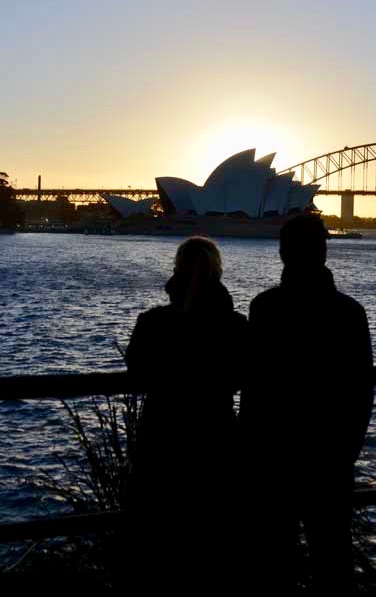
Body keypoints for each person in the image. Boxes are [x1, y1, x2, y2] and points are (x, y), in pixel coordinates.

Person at [240, 214, 375, 593]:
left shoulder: (264, 308)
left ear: (282, 253)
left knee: (273, 563)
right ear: (324, 251)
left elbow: (254, 390)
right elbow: (362, 393)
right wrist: (345, 453)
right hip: (330, 461)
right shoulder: (351, 313)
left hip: (273, 461)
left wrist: (249, 452)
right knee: (333, 561)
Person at [124, 236, 247, 583]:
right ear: (218, 273)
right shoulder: (238, 327)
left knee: (158, 547)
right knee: (213, 548)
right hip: (216, 443)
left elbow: (137, 374)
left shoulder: (151, 323)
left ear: (176, 271)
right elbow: (244, 375)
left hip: (161, 443)